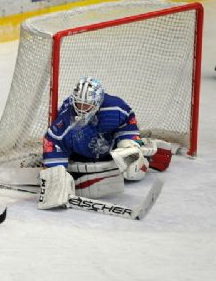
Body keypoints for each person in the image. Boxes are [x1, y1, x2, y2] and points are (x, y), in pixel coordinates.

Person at [38, 77, 173, 210]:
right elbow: (52, 141)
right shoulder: (66, 119)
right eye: (79, 104)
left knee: (132, 166)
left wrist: (130, 143)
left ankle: (147, 154)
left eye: (87, 105)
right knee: (65, 176)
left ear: (98, 102)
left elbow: (128, 122)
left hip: (109, 147)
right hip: (82, 153)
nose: (81, 109)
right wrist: (55, 173)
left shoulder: (115, 108)